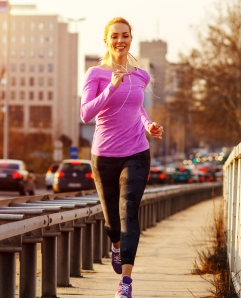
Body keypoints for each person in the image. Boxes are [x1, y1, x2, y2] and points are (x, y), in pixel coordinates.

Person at [80, 17, 163, 298]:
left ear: (131, 38)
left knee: (129, 212)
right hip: (104, 156)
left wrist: (149, 125)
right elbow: (85, 114)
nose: (120, 40)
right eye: (115, 36)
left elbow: (136, 109)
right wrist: (111, 86)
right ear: (106, 40)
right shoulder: (95, 74)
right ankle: (116, 245)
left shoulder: (141, 75)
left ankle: (125, 284)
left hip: (137, 153)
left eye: (125, 35)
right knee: (112, 224)